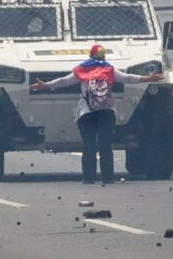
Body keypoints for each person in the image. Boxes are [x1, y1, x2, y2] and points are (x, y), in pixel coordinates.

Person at [29, 45, 164, 184]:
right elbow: (128, 78)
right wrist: (148, 78)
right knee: (105, 146)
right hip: (106, 112)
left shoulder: (82, 69)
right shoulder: (109, 69)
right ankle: (108, 177)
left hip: (86, 113)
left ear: (90, 55)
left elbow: (63, 81)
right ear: (103, 56)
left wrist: (44, 85)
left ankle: (88, 178)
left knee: (89, 146)